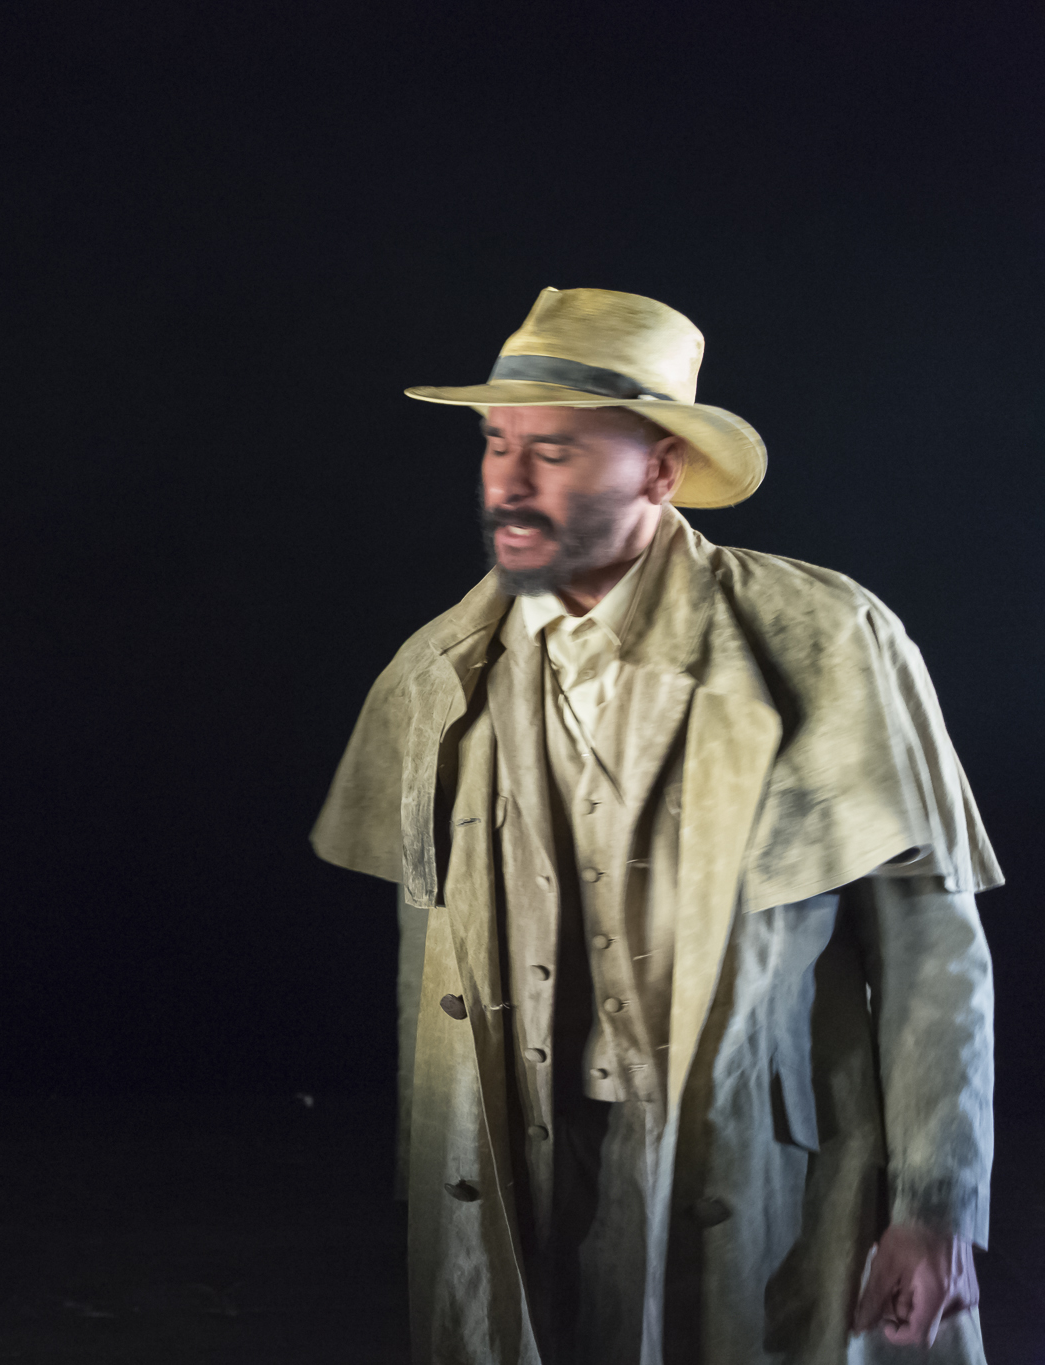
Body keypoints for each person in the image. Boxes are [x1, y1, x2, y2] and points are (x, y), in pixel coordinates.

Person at [310, 288, 997, 1363]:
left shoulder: (823, 640)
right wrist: (439, 1188)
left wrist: (935, 1206)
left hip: (763, 1170)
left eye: (555, 451)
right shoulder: (439, 674)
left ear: (662, 470)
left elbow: (929, 952)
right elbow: (428, 971)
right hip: (534, 1168)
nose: (508, 481)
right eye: (496, 443)